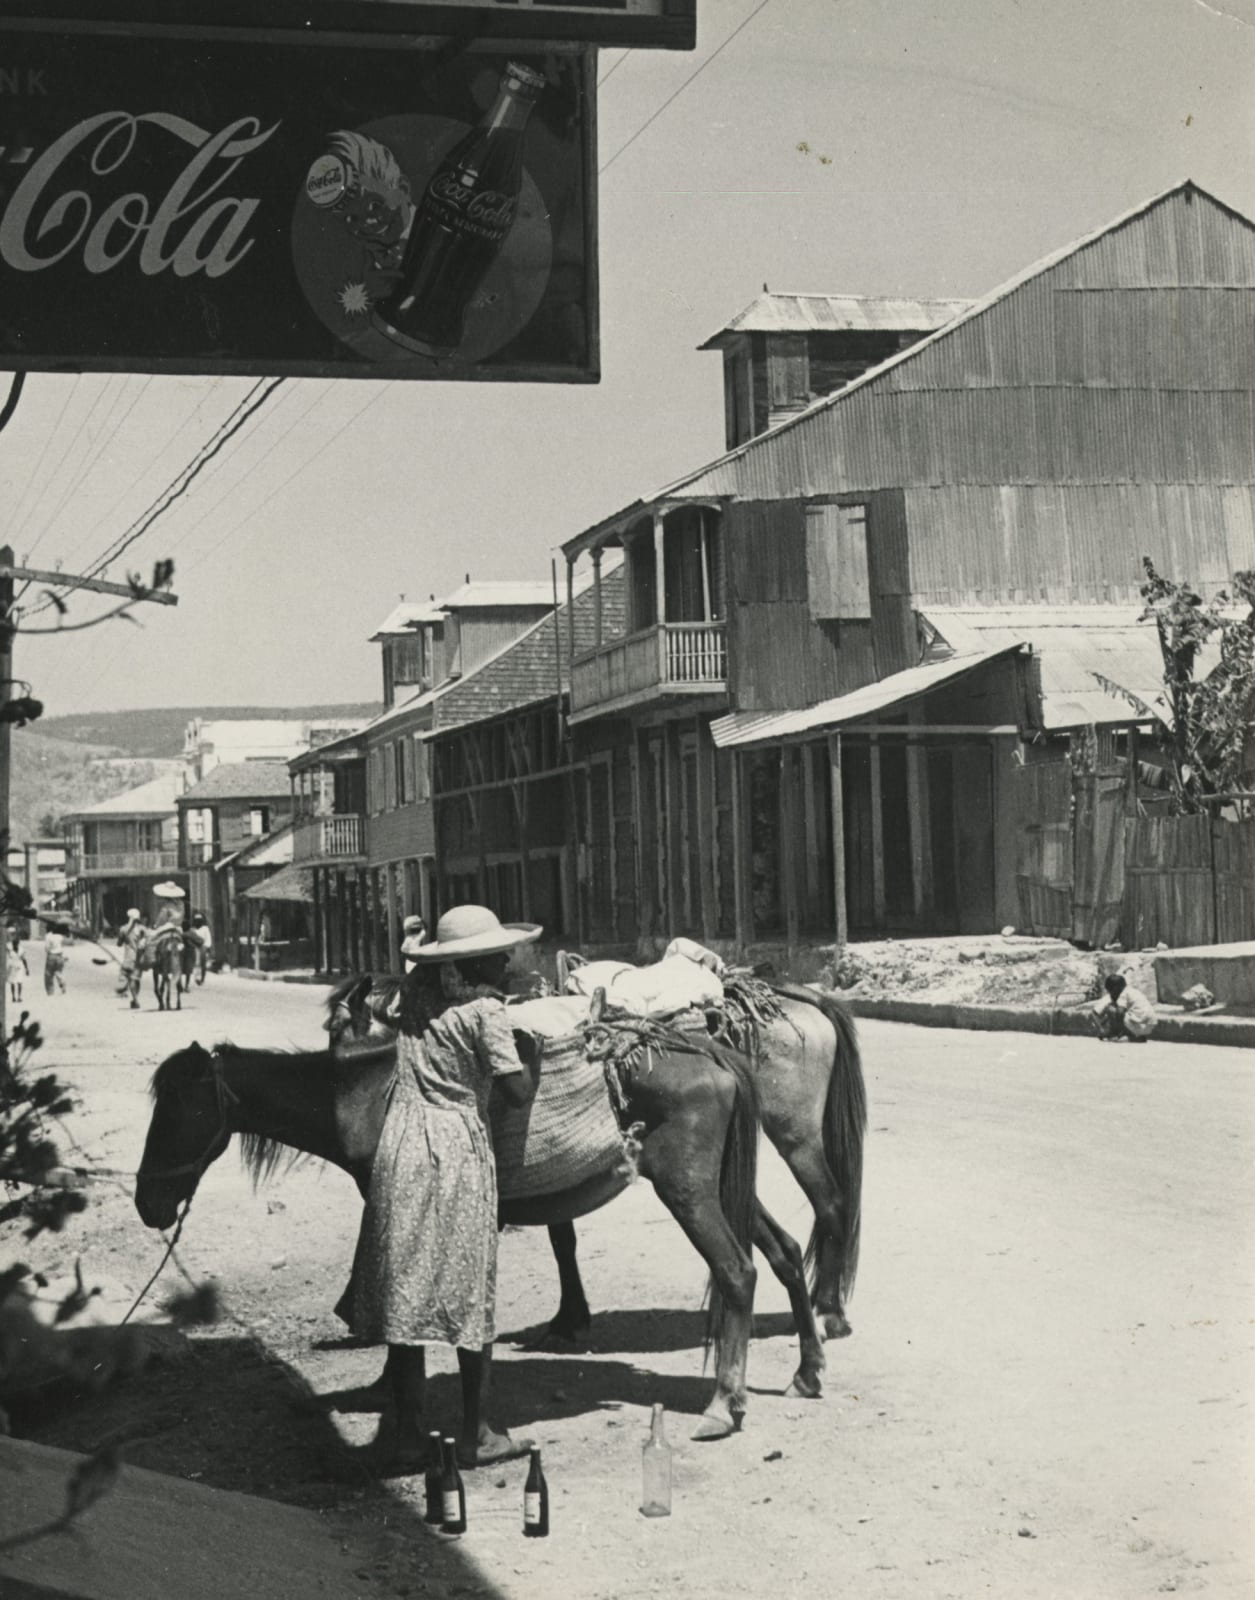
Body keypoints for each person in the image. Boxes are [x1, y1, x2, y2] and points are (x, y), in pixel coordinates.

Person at [349, 904, 543, 1471]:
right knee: (469, 1284)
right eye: (498, 954)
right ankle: (475, 1432)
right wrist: (527, 1054)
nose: (507, 960)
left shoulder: (414, 996)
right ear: (477, 961)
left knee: (405, 1285)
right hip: (456, 1146)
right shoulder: (486, 1013)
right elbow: (515, 1093)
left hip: (403, 1142)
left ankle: (407, 1432)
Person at [1092, 972, 1157, 1043]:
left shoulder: (1122, 994)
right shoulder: (1134, 991)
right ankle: (1136, 1036)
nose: (1109, 993)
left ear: (1115, 989)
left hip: (1138, 1026)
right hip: (1150, 1025)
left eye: (1110, 991)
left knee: (1111, 1009)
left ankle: (1123, 1036)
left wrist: (1114, 1031)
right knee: (1121, 1013)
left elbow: (1120, 1012)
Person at [117, 908, 146, 1009]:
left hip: (129, 957)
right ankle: (134, 999)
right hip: (140, 958)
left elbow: (119, 944)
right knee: (136, 979)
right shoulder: (142, 929)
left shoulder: (124, 929)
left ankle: (135, 1000)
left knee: (130, 979)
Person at [42, 925, 67, 995]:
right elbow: (63, 946)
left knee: (49, 974)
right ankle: (62, 983)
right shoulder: (60, 936)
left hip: (51, 956)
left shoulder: (48, 936)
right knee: (59, 972)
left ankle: (50, 991)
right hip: (60, 956)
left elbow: (47, 948)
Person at [7, 931, 29, 1005]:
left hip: (19, 966)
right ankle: (13, 996)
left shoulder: (21, 950)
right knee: (12, 982)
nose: (15, 944)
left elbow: (24, 959)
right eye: (14, 942)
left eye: (16, 942)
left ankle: (19, 997)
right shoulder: (9, 949)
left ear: (18, 943)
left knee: (19, 982)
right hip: (12, 966)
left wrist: (27, 969)